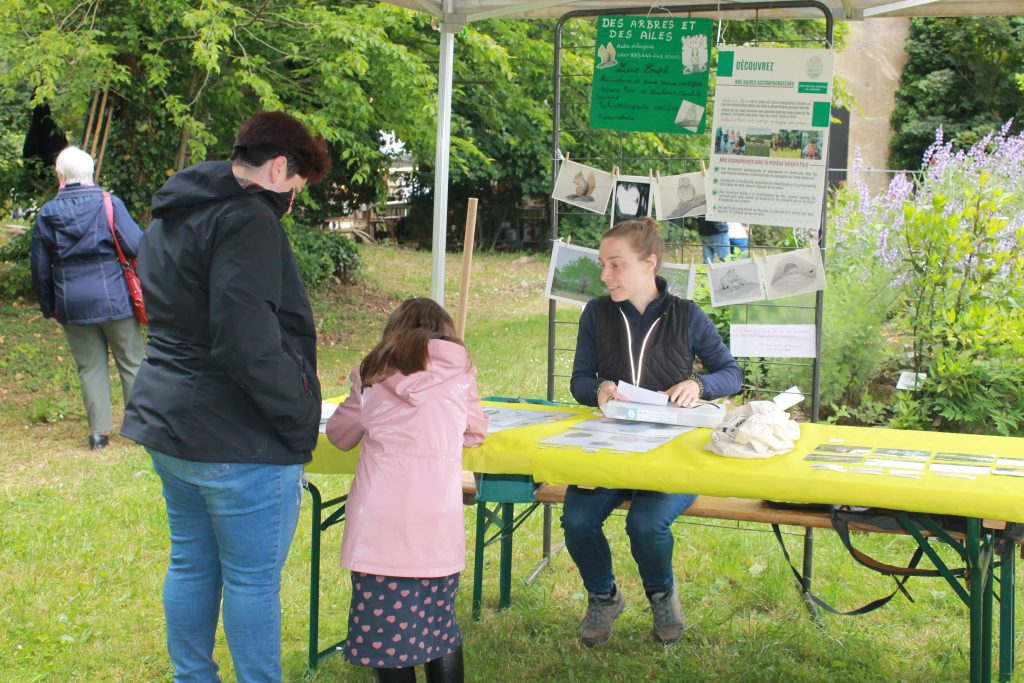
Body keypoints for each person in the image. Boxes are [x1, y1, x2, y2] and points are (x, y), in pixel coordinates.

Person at [121, 112, 331, 682]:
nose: (293, 202)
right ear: (280, 167)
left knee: (190, 564)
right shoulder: (247, 220)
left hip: (169, 421)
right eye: (296, 189)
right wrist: (296, 416)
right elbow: (245, 340)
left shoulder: (173, 213)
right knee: (250, 580)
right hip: (234, 435)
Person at [566, 217, 742, 647]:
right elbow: (579, 381)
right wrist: (600, 389)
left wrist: (698, 385)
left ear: (649, 263)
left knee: (646, 525)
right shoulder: (596, 313)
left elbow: (731, 373)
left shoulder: (687, 315)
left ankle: (662, 596)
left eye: (616, 265)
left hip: (672, 450)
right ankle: (603, 596)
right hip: (611, 446)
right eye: (603, 265)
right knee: (577, 519)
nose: (605, 275)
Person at [325, 297, 488, 683]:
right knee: (439, 629)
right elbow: (476, 431)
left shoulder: (371, 375)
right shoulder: (460, 375)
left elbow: (339, 436)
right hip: (437, 525)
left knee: (388, 641)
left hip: (380, 530)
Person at [30, 145, 144, 450]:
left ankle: (98, 434)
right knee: (132, 361)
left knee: (90, 367)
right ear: (90, 172)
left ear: (61, 176)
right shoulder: (109, 203)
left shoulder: (47, 213)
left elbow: (40, 267)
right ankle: (137, 430)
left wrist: (49, 306)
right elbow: (136, 245)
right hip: (115, 298)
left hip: (72, 301)